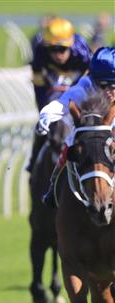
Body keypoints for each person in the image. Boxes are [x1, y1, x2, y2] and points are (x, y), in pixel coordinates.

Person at [36, 46, 115, 207]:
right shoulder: (85, 86)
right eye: (103, 84)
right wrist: (46, 116)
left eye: (114, 85)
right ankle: (53, 185)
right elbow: (63, 102)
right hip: (90, 133)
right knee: (70, 141)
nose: (109, 90)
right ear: (94, 80)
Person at [26, 17, 92, 173]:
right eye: (53, 49)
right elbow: (39, 86)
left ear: (70, 45)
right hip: (53, 84)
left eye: (62, 49)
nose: (58, 54)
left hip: (79, 83)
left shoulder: (82, 52)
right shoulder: (40, 51)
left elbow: (92, 82)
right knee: (43, 123)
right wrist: (43, 110)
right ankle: (34, 161)